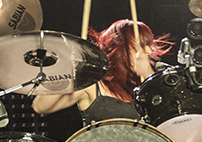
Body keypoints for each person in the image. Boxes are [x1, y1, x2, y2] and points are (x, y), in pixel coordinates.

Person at [32, 19, 172, 124]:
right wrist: (71, 69)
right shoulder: (92, 84)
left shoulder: (147, 88)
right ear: (120, 49)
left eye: (148, 45)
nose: (148, 51)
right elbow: (40, 107)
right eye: (142, 45)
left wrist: (148, 76)